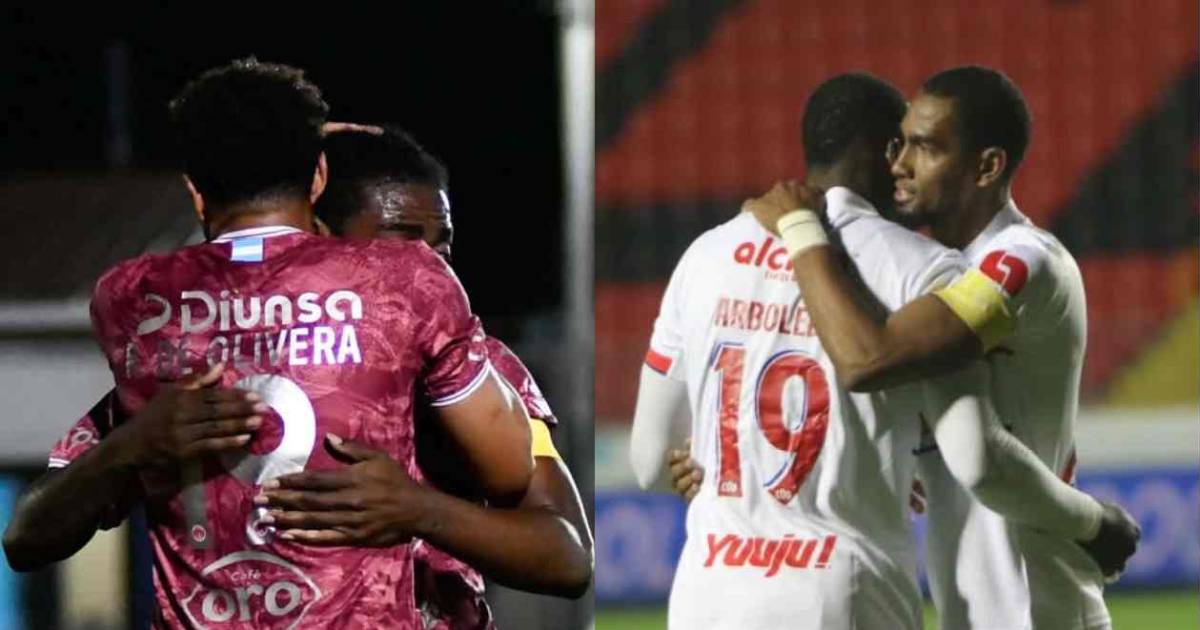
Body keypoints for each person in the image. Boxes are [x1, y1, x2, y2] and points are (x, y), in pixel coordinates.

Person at [3, 58, 533, 628]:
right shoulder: (409, 282)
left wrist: (134, 445)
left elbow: (26, 538)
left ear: (195, 192)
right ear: (318, 177)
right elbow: (512, 471)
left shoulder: (136, 300)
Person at [628, 72, 1133, 629]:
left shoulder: (1022, 260)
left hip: (1040, 606)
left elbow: (874, 361)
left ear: (988, 167)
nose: (902, 165)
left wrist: (1093, 523)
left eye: (924, 147)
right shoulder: (914, 269)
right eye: (901, 145)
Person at [300, 125, 593, 624]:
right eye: (403, 247)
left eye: (442, 250)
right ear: (322, 239)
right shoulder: (242, 354)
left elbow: (569, 557)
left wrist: (419, 510)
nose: (433, 271)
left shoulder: (482, 370)